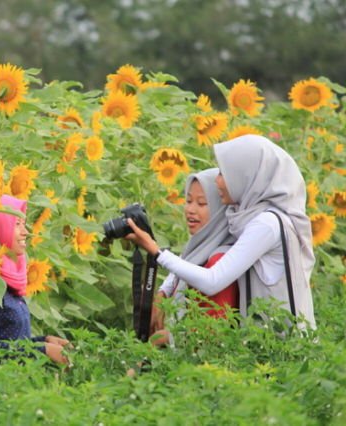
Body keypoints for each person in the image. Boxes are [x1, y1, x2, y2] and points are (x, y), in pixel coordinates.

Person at [127, 135, 316, 330]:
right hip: (267, 343)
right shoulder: (244, 216)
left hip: (283, 347)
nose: (217, 182)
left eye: (224, 174)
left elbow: (213, 280)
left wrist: (155, 251)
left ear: (246, 176)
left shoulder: (266, 224)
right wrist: (165, 289)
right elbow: (199, 251)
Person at [0, 194, 71, 364]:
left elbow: (11, 341)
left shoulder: (5, 282)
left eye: (24, 225)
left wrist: (44, 341)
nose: (26, 232)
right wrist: (43, 351)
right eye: (17, 225)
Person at [150, 168, 238, 346]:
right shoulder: (201, 249)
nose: (190, 210)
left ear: (220, 210)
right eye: (188, 201)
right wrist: (162, 294)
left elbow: (212, 337)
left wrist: (163, 338)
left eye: (202, 203)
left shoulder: (219, 261)